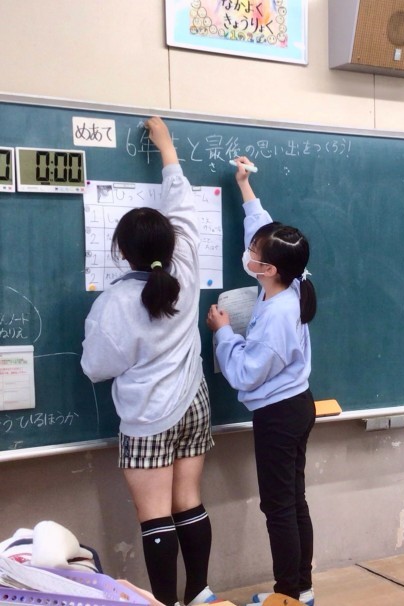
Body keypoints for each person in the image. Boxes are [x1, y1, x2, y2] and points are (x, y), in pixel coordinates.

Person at [81, 117, 218, 606]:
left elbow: (95, 368)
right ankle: (199, 593)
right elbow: (182, 204)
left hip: (148, 415)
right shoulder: (187, 265)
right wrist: (167, 148)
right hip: (195, 401)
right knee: (189, 503)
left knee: (156, 515)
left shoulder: (113, 304)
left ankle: (164, 603)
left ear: (121, 252)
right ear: (171, 243)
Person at [206, 157, 317, 606]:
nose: (248, 255)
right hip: (296, 405)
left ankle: (288, 595)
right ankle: (302, 590)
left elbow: (246, 372)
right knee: (293, 501)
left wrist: (223, 333)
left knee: (279, 507)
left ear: (268, 268)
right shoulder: (292, 278)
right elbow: (265, 229)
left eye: (254, 253)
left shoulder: (277, 316)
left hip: (279, 414)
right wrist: (245, 186)